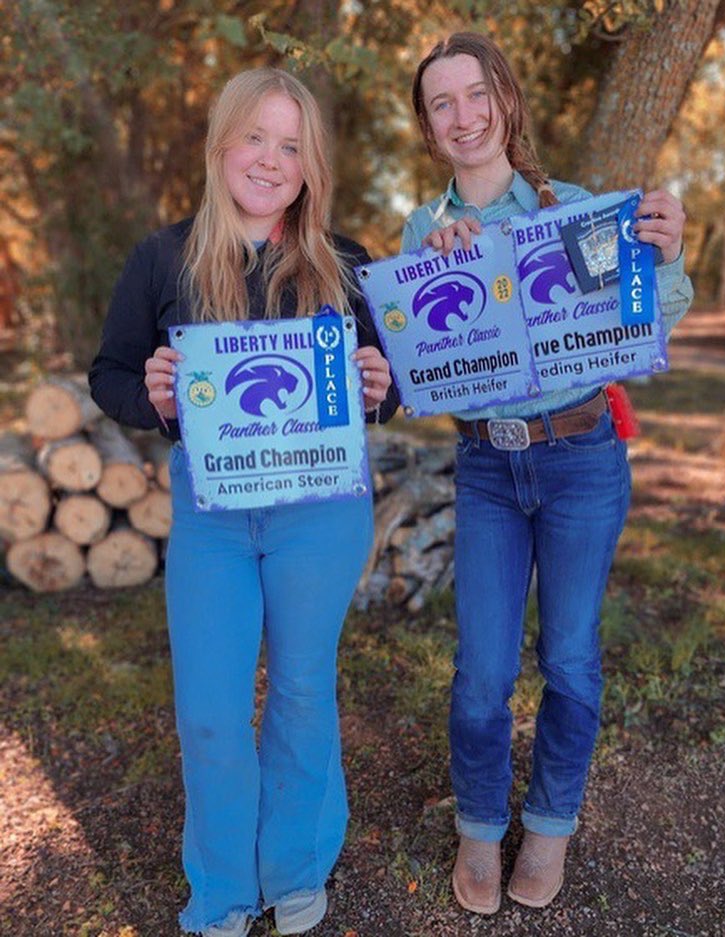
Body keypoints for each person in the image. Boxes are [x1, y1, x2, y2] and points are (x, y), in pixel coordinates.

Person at [90, 68, 397, 937]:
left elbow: (388, 384)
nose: (270, 159)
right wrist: (151, 396)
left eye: (290, 145)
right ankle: (222, 887)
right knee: (211, 710)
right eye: (255, 137)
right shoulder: (163, 258)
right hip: (213, 515)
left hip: (320, 511)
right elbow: (110, 374)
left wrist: (383, 385)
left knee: (301, 690)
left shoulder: (348, 264)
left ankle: (293, 866)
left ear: (311, 165)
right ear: (222, 145)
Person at [402, 32, 693, 914]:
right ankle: (480, 826)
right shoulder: (421, 230)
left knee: (569, 657)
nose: (463, 116)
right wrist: (433, 273)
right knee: (482, 670)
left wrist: (670, 255)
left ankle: (552, 823)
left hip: (582, 459)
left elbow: (649, 323)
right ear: (428, 126)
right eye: (442, 103)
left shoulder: (577, 212)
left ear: (506, 99)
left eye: (476, 93)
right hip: (488, 466)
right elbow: (417, 369)